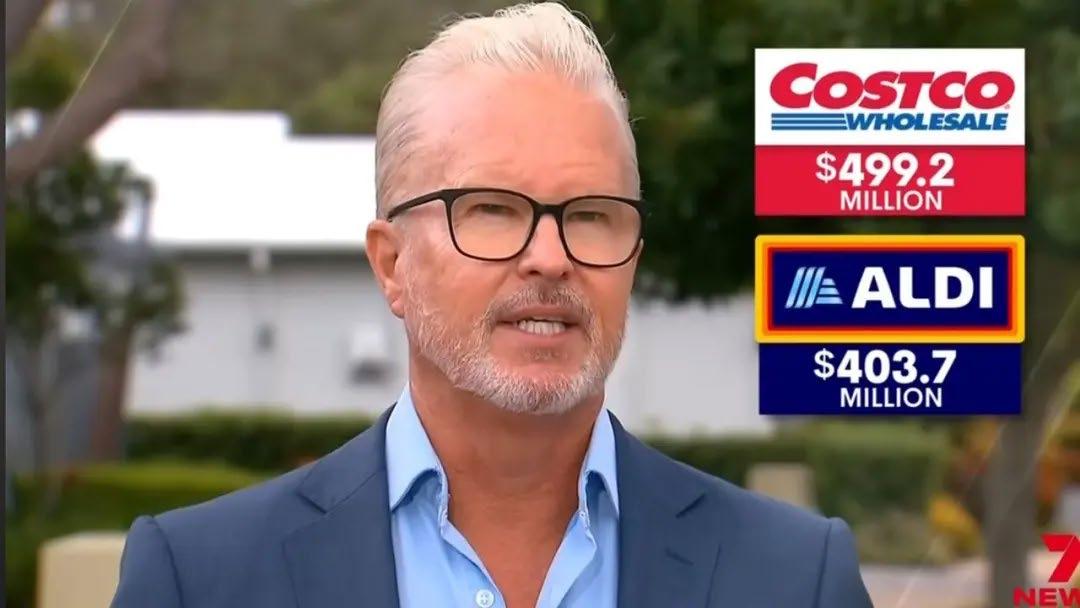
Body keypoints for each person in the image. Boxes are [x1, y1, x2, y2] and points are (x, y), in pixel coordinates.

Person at [112, 3, 872, 607]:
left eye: (590, 214)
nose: (551, 256)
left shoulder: (793, 579)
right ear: (392, 264)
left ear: (633, 258)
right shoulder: (199, 580)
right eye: (493, 210)